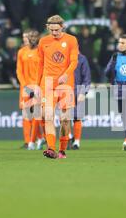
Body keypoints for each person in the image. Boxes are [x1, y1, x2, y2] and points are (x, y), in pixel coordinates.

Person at [36, 15, 79, 159]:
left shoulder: (71, 40)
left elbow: (74, 61)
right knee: (48, 117)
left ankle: (62, 149)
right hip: (47, 84)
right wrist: (36, 85)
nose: (54, 33)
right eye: (51, 30)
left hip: (65, 84)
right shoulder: (43, 41)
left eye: (57, 30)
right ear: (48, 28)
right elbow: (40, 65)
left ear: (62, 27)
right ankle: (51, 149)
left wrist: (66, 74)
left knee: (65, 120)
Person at [16, 30, 45, 151]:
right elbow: (19, 71)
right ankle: (28, 141)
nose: (26, 39)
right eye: (25, 37)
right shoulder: (21, 52)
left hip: (38, 87)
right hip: (26, 88)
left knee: (37, 115)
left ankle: (38, 138)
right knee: (26, 115)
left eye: (28, 37)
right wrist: (25, 86)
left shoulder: (41, 51)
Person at [69, 53, 91, 150]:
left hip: (78, 91)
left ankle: (76, 142)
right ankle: (69, 138)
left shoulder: (82, 59)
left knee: (77, 117)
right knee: (64, 117)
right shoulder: (63, 57)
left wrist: (83, 92)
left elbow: (87, 77)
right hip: (64, 90)